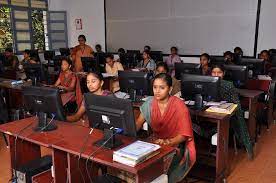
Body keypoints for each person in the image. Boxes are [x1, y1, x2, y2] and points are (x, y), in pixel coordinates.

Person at [136, 73, 196, 183]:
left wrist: (168, 142)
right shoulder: (149, 103)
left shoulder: (179, 105)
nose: (157, 91)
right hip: (156, 140)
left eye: (162, 88)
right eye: (155, 87)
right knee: (137, 162)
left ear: (170, 88)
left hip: (175, 143)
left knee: (156, 169)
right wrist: (124, 128)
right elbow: (138, 123)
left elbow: (184, 135)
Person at [211, 64, 253, 159]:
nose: (216, 75)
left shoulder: (228, 85)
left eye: (219, 72)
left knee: (238, 120)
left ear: (224, 73)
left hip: (227, 112)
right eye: (214, 72)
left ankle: (247, 145)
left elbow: (236, 104)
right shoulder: (207, 83)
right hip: (211, 110)